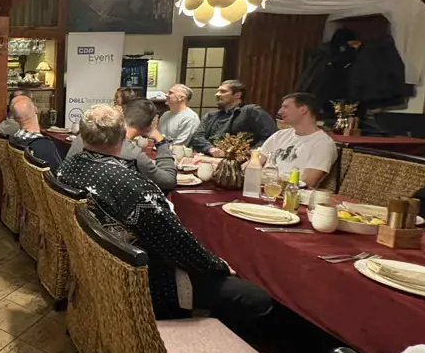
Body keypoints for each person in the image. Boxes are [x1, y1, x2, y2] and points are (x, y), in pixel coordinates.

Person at [58, 105, 274, 326]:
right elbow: (176, 242)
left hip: (100, 263)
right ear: (123, 136)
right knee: (258, 299)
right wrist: (217, 265)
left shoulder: (68, 166)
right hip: (149, 279)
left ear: (83, 135)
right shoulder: (130, 185)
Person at [67, 99, 177, 192]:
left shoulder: (86, 135)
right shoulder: (134, 156)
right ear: (150, 125)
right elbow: (169, 181)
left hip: (75, 200)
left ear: (122, 115)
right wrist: (161, 142)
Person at [257, 92, 338, 187]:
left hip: (288, 192)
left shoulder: (323, 144)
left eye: (285, 107)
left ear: (303, 109)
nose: (279, 112)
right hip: (260, 187)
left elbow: (307, 182)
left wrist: (271, 180)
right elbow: (256, 162)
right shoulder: (280, 135)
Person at [190, 80, 278, 156]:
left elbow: (270, 137)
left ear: (237, 95)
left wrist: (249, 153)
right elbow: (197, 137)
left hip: (242, 160)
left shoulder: (252, 111)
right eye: (218, 91)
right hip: (211, 158)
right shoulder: (210, 116)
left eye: (223, 92)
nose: (217, 94)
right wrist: (210, 149)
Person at [10, 95, 63, 172]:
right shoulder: (44, 145)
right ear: (36, 109)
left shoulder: (14, 139)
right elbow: (59, 173)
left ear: (15, 118)